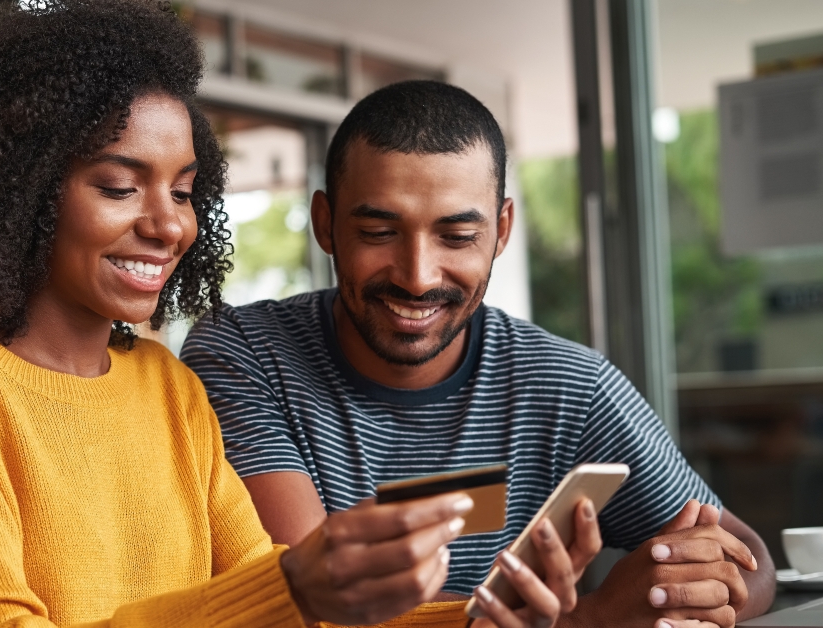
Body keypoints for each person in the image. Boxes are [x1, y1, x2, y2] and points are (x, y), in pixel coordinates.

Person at [0, 3, 597, 627]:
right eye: (121, 187)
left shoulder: (167, 387)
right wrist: (291, 590)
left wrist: (477, 620)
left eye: (185, 190)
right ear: (19, 191)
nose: (169, 225)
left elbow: (272, 602)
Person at [181, 80, 775, 628]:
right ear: (326, 224)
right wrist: (590, 620)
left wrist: (677, 584)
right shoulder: (244, 356)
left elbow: (750, 567)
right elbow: (314, 609)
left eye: (457, 236)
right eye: (379, 232)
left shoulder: (568, 386)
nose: (417, 277)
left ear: (502, 230)